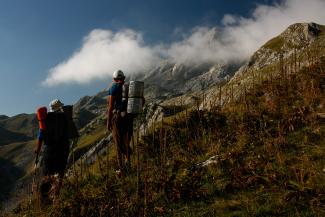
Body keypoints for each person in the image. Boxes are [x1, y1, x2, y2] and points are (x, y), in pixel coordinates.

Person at [35, 99, 75, 205]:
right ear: (59, 107)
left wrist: (38, 150)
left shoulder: (45, 119)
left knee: (47, 175)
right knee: (59, 174)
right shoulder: (65, 118)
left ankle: (44, 201)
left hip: (50, 150)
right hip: (63, 149)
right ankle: (56, 197)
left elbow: (40, 136)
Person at [107, 70, 132, 174]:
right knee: (126, 140)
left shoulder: (114, 87)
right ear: (123, 78)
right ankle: (128, 164)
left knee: (118, 142)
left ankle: (121, 169)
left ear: (114, 79)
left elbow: (111, 106)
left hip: (118, 118)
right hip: (128, 116)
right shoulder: (128, 88)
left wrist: (108, 120)